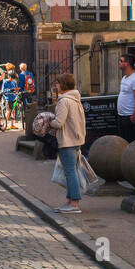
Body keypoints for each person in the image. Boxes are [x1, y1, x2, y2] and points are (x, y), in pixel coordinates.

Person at [49, 72, 86, 214]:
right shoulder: (76, 99)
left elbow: (59, 122)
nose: (56, 86)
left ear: (63, 84)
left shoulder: (64, 101)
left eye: (57, 83)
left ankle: (74, 202)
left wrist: (48, 122)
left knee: (70, 172)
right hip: (76, 139)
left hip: (67, 140)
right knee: (70, 171)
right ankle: (69, 201)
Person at [116, 53, 135, 142]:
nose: (119, 63)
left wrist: (133, 116)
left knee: (132, 142)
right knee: (123, 142)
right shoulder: (125, 77)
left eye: (121, 61)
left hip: (130, 117)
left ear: (127, 63)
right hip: (122, 116)